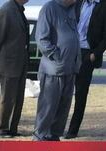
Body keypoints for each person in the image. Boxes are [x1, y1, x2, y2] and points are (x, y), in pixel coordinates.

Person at [63, 0, 106, 139]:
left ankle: (73, 130)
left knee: (80, 93)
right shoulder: (78, 2)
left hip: (87, 53)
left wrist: (95, 54)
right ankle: (57, 126)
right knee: (63, 90)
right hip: (70, 50)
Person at [32, 0, 81, 141]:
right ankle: (39, 139)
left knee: (63, 109)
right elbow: (42, 39)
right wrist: (58, 56)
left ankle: (54, 138)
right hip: (54, 70)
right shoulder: (49, 8)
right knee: (48, 108)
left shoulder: (73, 8)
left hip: (70, 69)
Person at [0, 0, 31, 138]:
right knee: (7, 97)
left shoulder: (18, 9)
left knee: (18, 97)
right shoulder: (7, 10)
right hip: (8, 62)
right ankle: (0, 128)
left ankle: (12, 127)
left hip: (20, 61)